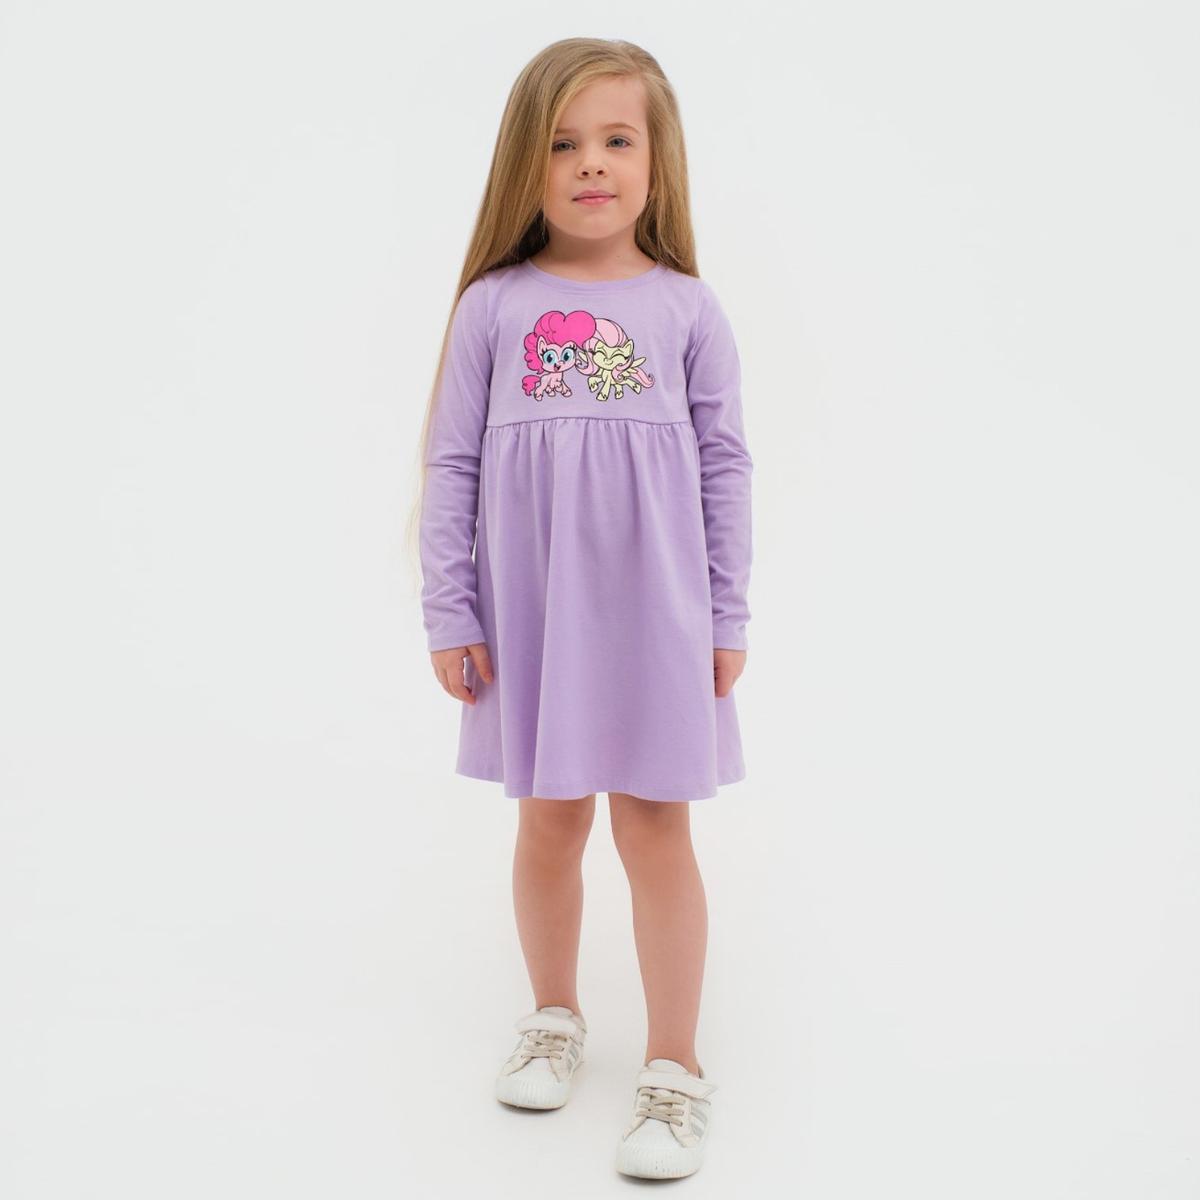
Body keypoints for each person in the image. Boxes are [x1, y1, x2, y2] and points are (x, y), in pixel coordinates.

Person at [412, 37, 752, 1180]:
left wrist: (726, 617)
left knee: (656, 832)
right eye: (563, 144)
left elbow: (726, 467)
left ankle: (673, 1069)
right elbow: (452, 465)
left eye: (616, 140)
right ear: (527, 162)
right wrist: (451, 609)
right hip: (537, 621)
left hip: (659, 618)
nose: (592, 163)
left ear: (657, 162)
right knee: (550, 824)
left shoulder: (688, 309)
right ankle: (554, 1017)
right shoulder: (494, 308)